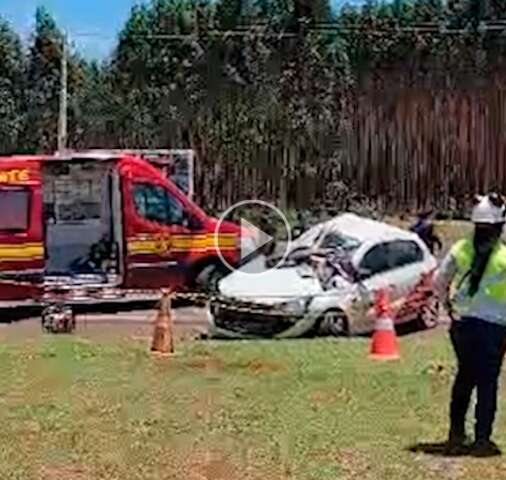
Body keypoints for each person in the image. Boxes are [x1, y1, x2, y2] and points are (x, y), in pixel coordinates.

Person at [434, 193, 506, 457]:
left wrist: (448, 307)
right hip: (495, 328)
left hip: (462, 325)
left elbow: (439, 282)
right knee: (488, 383)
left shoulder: (460, 249)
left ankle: (455, 434)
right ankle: (482, 440)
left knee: (465, 377)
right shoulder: (504, 256)